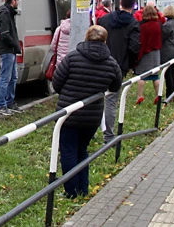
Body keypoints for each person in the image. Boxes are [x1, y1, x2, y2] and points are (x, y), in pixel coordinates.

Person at [52, 25, 123, 198]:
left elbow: (56, 83)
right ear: (105, 40)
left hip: (68, 113)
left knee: (68, 151)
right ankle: (83, 189)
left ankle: (70, 192)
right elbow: (115, 85)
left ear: (86, 37)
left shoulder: (72, 57)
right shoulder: (111, 63)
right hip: (92, 115)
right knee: (82, 150)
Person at [97, 0, 140, 144]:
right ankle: (108, 135)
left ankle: (91, 130)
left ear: (120, 2)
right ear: (134, 5)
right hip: (119, 67)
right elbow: (134, 47)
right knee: (111, 100)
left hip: (100, 62)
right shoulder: (134, 24)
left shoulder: (104, 19)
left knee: (95, 98)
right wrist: (129, 64)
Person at [0, 0, 23, 116]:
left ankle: (10, 102)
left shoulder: (8, 13)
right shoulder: (4, 14)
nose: (17, 3)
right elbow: (5, 34)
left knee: (13, 77)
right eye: (17, 0)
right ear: (12, 1)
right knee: (5, 77)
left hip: (11, 50)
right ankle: (1, 105)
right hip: (7, 50)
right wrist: (15, 45)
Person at [134, 5, 162, 105]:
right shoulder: (158, 24)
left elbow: (142, 41)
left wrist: (138, 57)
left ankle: (140, 96)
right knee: (155, 76)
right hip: (156, 53)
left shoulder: (142, 26)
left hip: (146, 53)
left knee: (142, 76)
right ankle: (158, 95)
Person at [160, 5, 174, 99]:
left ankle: (169, 94)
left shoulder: (167, 25)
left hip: (167, 51)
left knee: (168, 74)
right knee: (173, 72)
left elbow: (162, 38)